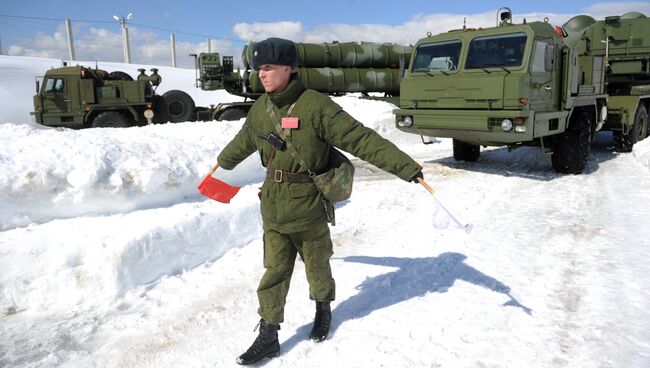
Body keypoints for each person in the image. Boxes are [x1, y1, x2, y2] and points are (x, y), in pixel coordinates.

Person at [217, 37, 423, 366]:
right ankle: (269, 334)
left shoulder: (317, 106)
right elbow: (245, 139)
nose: (262, 75)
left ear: (288, 69)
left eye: (268, 68)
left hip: (309, 207)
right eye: (259, 69)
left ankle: (323, 308)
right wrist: (222, 162)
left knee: (317, 265)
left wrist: (406, 167)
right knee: (274, 271)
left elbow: (361, 138)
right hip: (272, 206)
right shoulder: (261, 107)